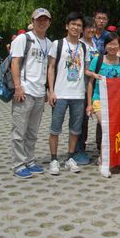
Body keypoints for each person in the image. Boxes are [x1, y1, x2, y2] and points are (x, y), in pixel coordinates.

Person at [10, 8, 52, 178]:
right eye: (38, 19)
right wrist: (18, 86)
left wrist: (47, 89)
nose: (42, 22)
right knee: (19, 131)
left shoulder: (49, 43)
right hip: (25, 91)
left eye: (45, 19)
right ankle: (18, 164)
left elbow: (48, 68)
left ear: (49, 22)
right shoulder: (24, 39)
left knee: (33, 131)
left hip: (40, 93)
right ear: (32, 21)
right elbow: (15, 62)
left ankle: (30, 160)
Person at [47, 12, 89, 176]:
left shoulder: (83, 47)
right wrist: (51, 91)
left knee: (75, 129)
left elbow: (85, 70)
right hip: (60, 93)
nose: (76, 27)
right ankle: (54, 159)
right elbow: (51, 68)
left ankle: (70, 158)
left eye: (79, 25)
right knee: (55, 128)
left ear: (82, 29)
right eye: (73, 24)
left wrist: (96, 75)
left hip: (78, 94)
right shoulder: (57, 44)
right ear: (67, 26)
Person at [85, 33, 120, 178]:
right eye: (110, 44)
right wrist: (89, 104)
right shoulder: (98, 60)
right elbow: (90, 82)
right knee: (107, 127)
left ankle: (104, 157)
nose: (113, 47)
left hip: (114, 101)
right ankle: (104, 164)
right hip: (98, 99)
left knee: (111, 129)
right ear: (105, 46)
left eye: (115, 44)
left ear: (119, 46)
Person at [74, 16, 98, 165]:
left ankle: (81, 148)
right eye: (88, 27)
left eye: (93, 27)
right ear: (83, 29)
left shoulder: (94, 43)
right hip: (81, 87)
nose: (91, 30)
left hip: (91, 86)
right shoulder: (79, 44)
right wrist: (94, 74)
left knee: (86, 120)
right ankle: (77, 150)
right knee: (80, 121)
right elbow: (81, 68)